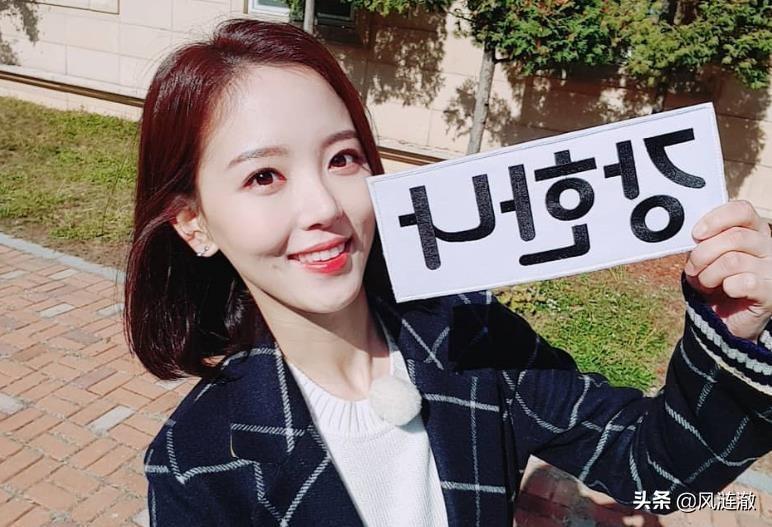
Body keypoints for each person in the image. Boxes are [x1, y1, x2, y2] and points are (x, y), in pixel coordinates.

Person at [123, 17, 772, 527]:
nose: (325, 207)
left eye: (343, 158)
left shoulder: (467, 334)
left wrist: (732, 329)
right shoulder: (195, 462)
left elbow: (655, 468)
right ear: (193, 223)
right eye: (264, 175)